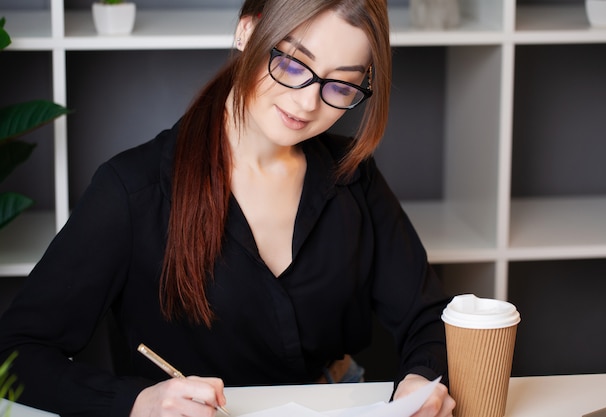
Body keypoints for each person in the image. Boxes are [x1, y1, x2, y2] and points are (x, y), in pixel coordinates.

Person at [0, 0, 456, 416]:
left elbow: (429, 315)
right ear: (246, 32)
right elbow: (15, 352)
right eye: (293, 64)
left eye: (340, 85)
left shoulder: (352, 176)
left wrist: (420, 378)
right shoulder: (132, 190)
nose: (306, 101)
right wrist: (137, 402)